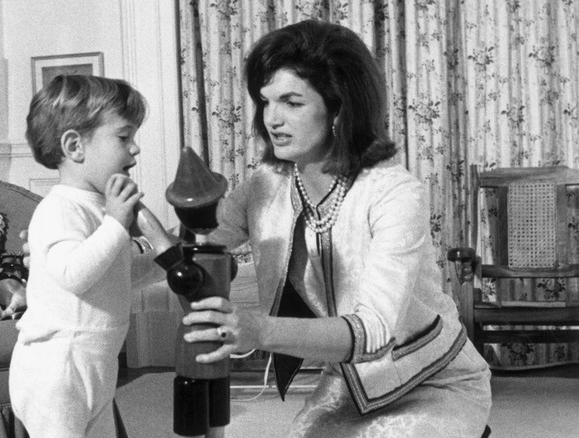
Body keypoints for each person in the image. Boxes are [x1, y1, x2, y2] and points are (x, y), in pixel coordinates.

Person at [178, 20, 492, 437]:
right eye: (265, 101)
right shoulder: (265, 187)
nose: (272, 119)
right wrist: (122, 228)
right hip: (349, 381)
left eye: (292, 102)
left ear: (338, 107)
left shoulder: (394, 192)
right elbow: (202, 244)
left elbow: (375, 331)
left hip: (434, 378)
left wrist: (257, 329)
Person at [9, 74, 171, 437]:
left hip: (97, 363)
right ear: (74, 146)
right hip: (58, 366)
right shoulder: (59, 209)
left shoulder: (101, 208)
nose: (135, 149)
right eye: (123, 137)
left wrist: (163, 262)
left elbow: (117, 273)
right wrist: (116, 223)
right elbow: (74, 274)